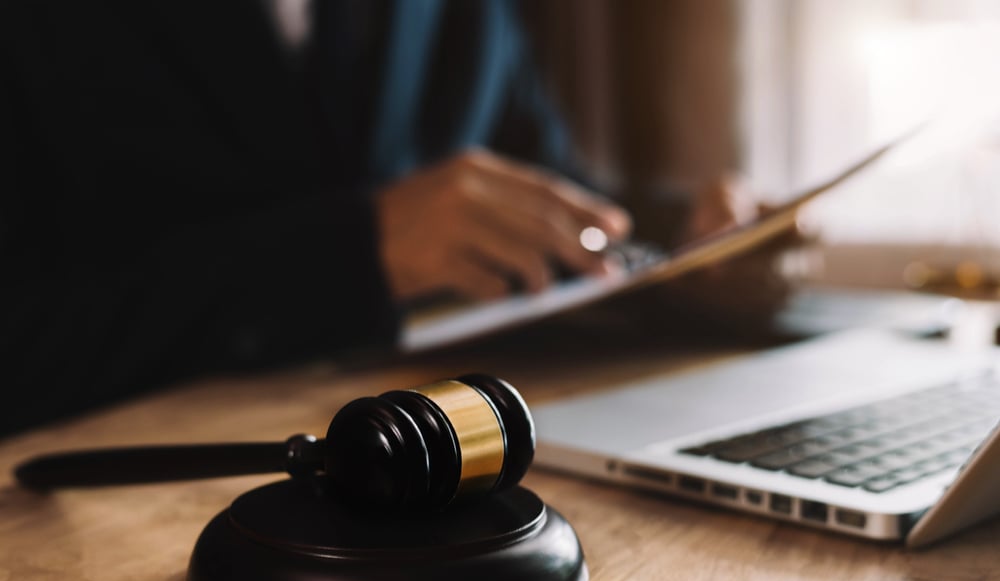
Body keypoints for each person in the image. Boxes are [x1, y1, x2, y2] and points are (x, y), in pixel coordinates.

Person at [0, 0, 786, 436]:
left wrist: (690, 235)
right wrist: (352, 249)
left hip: (459, 451)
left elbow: (553, 191)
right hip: (151, 492)